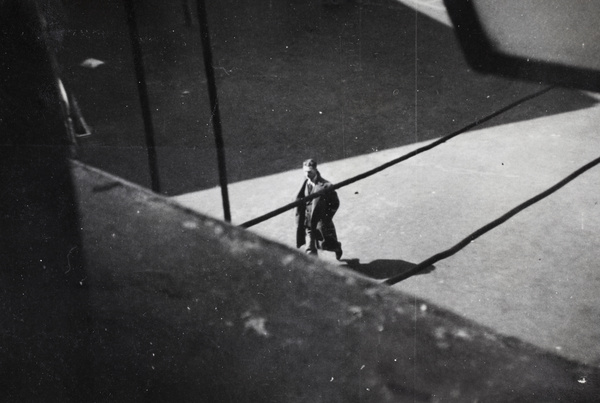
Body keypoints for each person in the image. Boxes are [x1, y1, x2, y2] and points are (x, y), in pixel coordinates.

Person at [295, 159, 343, 260]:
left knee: (326, 244)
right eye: (305, 171)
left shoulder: (326, 185)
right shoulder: (305, 182)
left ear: (316, 170)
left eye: (309, 172)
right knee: (310, 250)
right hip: (307, 222)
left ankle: (337, 248)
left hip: (319, 223)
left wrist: (326, 217)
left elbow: (335, 203)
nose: (307, 174)